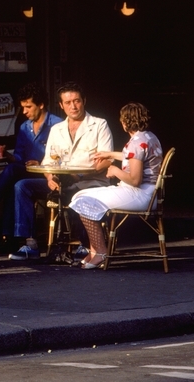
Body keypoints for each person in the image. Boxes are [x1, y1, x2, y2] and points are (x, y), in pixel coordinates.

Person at [9, 82, 114, 261]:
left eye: (77, 101)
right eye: (68, 102)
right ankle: (30, 244)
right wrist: (50, 177)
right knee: (22, 186)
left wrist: (78, 176)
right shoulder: (57, 129)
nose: (73, 106)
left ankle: (85, 245)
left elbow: (107, 160)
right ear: (61, 105)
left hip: (90, 182)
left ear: (84, 101)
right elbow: (48, 161)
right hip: (62, 182)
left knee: (82, 194)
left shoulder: (99, 124)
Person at [69, 102, 164, 269]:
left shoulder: (137, 142)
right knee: (81, 195)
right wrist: (109, 154)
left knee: (82, 201)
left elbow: (134, 180)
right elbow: (133, 156)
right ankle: (94, 251)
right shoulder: (148, 137)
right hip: (148, 193)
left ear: (125, 122)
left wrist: (114, 170)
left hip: (139, 194)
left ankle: (100, 252)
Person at [0, 83, 63, 249]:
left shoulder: (57, 125)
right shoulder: (25, 127)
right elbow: (18, 158)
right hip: (27, 171)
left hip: (49, 174)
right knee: (13, 177)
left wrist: (41, 164)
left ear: (41, 105)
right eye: (23, 107)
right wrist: (5, 153)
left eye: (28, 107)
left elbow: (64, 157)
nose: (24, 111)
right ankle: (11, 237)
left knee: (13, 181)